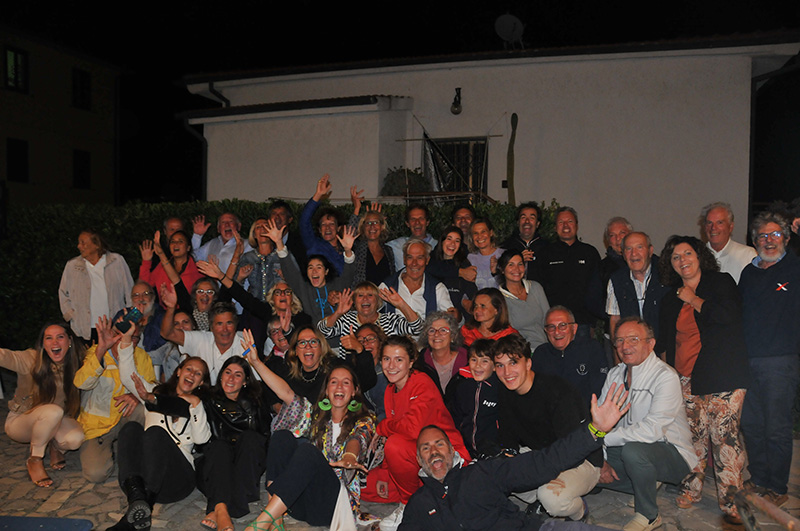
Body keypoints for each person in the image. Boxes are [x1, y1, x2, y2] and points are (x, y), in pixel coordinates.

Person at [398, 383, 630, 531]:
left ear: (452, 451)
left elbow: (543, 463)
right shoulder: (419, 505)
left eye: (439, 444)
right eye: (426, 448)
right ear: (419, 459)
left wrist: (594, 431)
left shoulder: (481, 473)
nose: (434, 451)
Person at [241, 329, 376, 530]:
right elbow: (286, 392)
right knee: (282, 436)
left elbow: (358, 438)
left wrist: (349, 456)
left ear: (355, 390)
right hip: (304, 503)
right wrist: (256, 362)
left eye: (346, 382)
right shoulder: (316, 415)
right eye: (333, 382)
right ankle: (276, 518)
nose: (339, 387)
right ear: (326, 390)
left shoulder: (364, 419)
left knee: (308, 452)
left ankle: (261, 523)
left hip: (334, 507)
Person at [657, 235, 749, 524]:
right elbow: (666, 339)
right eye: (675, 257)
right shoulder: (670, 296)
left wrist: (694, 300)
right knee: (691, 437)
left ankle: (732, 502)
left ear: (699, 256)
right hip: (686, 377)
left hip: (723, 375)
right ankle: (691, 488)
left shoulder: (720, 283)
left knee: (724, 439)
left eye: (687, 253)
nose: (682, 260)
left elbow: (729, 316)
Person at [597, 317, 697, 531]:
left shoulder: (665, 376)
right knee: (587, 461)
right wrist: (599, 452)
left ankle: (649, 515)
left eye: (633, 339)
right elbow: (601, 419)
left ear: (650, 344)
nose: (625, 346)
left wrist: (604, 439)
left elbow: (652, 430)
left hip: (672, 452)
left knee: (634, 453)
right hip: (629, 446)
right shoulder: (615, 374)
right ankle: (646, 481)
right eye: (619, 340)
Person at [362, 336, 470, 529]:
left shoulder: (421, 382)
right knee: (365, 484)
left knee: (395, 446)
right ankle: (425, 497)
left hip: (443, 456)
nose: (391, 366)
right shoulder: (390, 390)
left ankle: (410, 505)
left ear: (411, 362)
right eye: (386, 359)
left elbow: (412, 429)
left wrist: (383, 426)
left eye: (399, 359)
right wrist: (386, 471)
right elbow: (397, 433)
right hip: (418, 459)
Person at [493, 334, 600, 522]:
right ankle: (539, 497)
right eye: (500, 365)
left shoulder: (556, 391)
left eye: (513, 363)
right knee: (495, 472)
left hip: (581, 459)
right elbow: (508, 439)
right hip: (542, 454)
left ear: (528, 363)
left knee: (551, 498)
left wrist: (535, 471)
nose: (507, 372)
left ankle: (579, 512)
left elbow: (571, 450)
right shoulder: (505, 390)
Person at [739, 211, 800, 507]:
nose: (769, 240)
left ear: (786, 238)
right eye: (762, 235)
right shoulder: (748, 274)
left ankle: (777, 485)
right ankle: (760, 477)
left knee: (776, 427)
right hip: (748, 361)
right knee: (751, 424)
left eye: (775, 234)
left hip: (780, 362)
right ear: (754, 241)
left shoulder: (795, 269)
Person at [109, 356, 210, 531]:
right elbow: (127, 375)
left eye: (198, 373)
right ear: (179, 371)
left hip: (176, 480)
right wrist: (125, 342)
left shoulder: (200, 405)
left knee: (156, 432)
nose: (192, 374)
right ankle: (137, 499)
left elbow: (201, 439)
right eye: (189, 369)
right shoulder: (155, 393)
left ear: (201, 382)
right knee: (131, 428)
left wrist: (196, 404)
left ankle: (137, 512)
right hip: (145, 480)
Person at [0, 322, 85, 487]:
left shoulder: (77, 363)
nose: (55, 342)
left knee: (75, 439)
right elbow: (5, 356)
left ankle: (56, 448)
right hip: (21, 421)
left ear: (70, 341)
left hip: (58, 419)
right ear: (43, 344)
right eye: (49, 338)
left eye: (60, 337)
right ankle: (35, 459)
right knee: (53, 412)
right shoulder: (30, 360)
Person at [75, 315, 157, 483]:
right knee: (96, 474)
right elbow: (81, 383)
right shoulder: (96, 352)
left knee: (147, 409)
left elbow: (153, 387)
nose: (129, 340)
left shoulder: (142, 356)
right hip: (97, 426)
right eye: (123, 334)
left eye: (134, 337)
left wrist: (136, 395)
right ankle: (105, 450)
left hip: (126, 417)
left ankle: (137, 452)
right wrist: (100, 350)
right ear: (113, 335)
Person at [199, 357, 271, 531]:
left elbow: (264, 435)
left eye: (238, 375)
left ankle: (218, 508)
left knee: (250, 438)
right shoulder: (208, 397)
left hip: (247, 458)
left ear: (245, 381)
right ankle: (222, 510)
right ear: (221, 375)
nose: (231, 379)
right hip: (218, 458)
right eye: (228, 373)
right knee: (219, 447)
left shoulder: (256, 400)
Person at [265, 218, 356, 325]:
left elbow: (349, 271)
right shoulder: (304, 289)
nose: (314, 271)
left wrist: (348, 250)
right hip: (313, 334)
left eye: (319, 267)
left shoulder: (337, 285)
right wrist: (279, 242)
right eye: (310, 267)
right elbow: (290, 269)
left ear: (326, 271)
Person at [160, 283, 246, 384]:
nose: (225, 329)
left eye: (229, 323)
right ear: (211, 327)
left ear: (236, 325)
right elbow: (167, 334)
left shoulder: (245, 345)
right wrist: (171, 308)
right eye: (219, 324)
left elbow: (255, 382)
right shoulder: (201, 339)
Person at [59, 229, 134, 343]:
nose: (79, 246)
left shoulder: (116, 261)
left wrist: (129, 316)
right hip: (83, 328)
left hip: (113, 326)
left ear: (97, 245)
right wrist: (70, 315)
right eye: (79, 243)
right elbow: (63, 292)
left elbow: (129, 289)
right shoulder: (73, 266)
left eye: (83, 243)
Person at [539, 207, 601, 338]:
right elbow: (539, 288)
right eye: (561, 222)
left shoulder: (590, 253)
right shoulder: (545, 253)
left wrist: (592, 321)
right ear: (555, 227)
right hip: (554, 324)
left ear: (577, 226)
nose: (566, 226)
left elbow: (597, 289)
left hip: (582, 323)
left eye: (570, 221)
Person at [532, 306, 608, 407]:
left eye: (563, 326)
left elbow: (599, 388)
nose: (557, 332)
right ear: (546, 331)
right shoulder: (540, 354)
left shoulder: (592, 349)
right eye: (551, 327)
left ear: (574, 328)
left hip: (586, 412)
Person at [606, 232, 669, 343]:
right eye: (628, 249)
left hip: (664, 346)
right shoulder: (617, 280)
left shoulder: (666, 276)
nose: (634, 254)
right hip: (631, 348)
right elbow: (615, 319)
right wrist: (618, 347)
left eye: (639, 247)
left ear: (650, 251)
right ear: (623, 254)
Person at [319, 282, 423, 349]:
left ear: (377, 301)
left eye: (370, 295)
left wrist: (402, 305)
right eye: (360, 295)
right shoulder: (347, 319)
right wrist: (338, 313)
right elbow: (323, 331)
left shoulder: (390, 320)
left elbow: (418, 329)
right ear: (354, 301)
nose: (365, 299)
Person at [445, 338, 500, 457]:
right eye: (474, 360)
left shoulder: (499, 389)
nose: (477, 366)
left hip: (494, 452)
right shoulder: (462, 386)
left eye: (485, 361)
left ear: (495, 366)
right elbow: (454, 418)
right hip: (465, 450)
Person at [380, 239, 454, 324]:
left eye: (420, 258)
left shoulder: (437, 288)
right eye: (410, 257)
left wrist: (456, 315)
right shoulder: (387, 285)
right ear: (404, 259)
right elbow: (371, 309)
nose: (414, 263)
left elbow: (452, 320)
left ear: (427, 260)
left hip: (424, 332)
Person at [497, 249, 550, 350]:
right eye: (511, 265)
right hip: (520, 351)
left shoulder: (535, 287)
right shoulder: (499, 298)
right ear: (502, 269)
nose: (516, 269)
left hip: (545, 347)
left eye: (520, 264)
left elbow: (548, 320)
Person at [138, 229, 202, 307]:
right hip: (165, 312)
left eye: (180, 241)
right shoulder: (161, 267)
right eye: (172, 242)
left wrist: (161, 254)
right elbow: (144, 286)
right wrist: (146, 262)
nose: (176, 244)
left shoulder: (197, 271)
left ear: (188, 247)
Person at [299, 174, 349, 275]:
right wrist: (318, 195)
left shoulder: (347, 248)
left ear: (338, 228)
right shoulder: (314, 245)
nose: (327, 228)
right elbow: (304, 221)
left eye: (331, 224)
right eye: (323, 224)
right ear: (319, 229)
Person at [427, 226, 477, 321]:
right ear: (442, 241)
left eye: (457, 241)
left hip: (457, 319)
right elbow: (433, 269)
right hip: (431, 316)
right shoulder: (431, 261)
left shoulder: (464, 264)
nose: (452, 244)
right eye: (449, 239)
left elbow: (471, 293)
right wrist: (459, 272)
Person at [700, 202, 756, 284]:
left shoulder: (748, 255)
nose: (713, 228)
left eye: (719, 223)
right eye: (709, 223)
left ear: (731, 227)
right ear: (705, 227)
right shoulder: (696, 255)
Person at [416, 312, 467, 395]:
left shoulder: (468, 361)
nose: (436, 334)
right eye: (432, 330)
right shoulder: (420, 364)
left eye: (443, 330)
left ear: (453, 336)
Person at [350, 200, 396, 286]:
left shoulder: (388, 251)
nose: (372, 226)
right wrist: (357, 208)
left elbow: (392, 278)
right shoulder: (357, 248)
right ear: (363, 227)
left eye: (376, 222)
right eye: (368, 223)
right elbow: (350, 234)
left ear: (382, 227)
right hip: (361, 294)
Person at [501, 202, 548, 283]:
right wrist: (518, 260)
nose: (527, 221)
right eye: (523, 217)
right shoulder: (506, 246)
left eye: (532, 218)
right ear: (518, 222)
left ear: (537, 224)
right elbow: (500, 272)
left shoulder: (547, 247)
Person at [239, 217, 283, 303]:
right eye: (258, 227)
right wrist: (240, 277)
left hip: (277, 304)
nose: (262, 229)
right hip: (254, 305)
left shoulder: (282, 255)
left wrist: (286, 278)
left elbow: (296, 281)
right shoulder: (248, 257)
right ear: (254, 234)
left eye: (266, 226)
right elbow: (236, 285)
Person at [353, 323, 389, 421]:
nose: (365, 343)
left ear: (380, 343)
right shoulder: (354, 372)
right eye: (360, 340)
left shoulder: (386, 373)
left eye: (371, 338)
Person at [387, 204, 438, 271]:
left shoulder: (438, 247)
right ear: (407, 223)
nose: (417, 222)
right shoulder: (397, 245)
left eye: (421, 218)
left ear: (427, 222)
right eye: (413, 219)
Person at [467, 218, 504, 289]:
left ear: (491, 233)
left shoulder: (503, 255)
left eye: (483, 232)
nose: (479, 236)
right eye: (475, 233)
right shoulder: (470, 259)